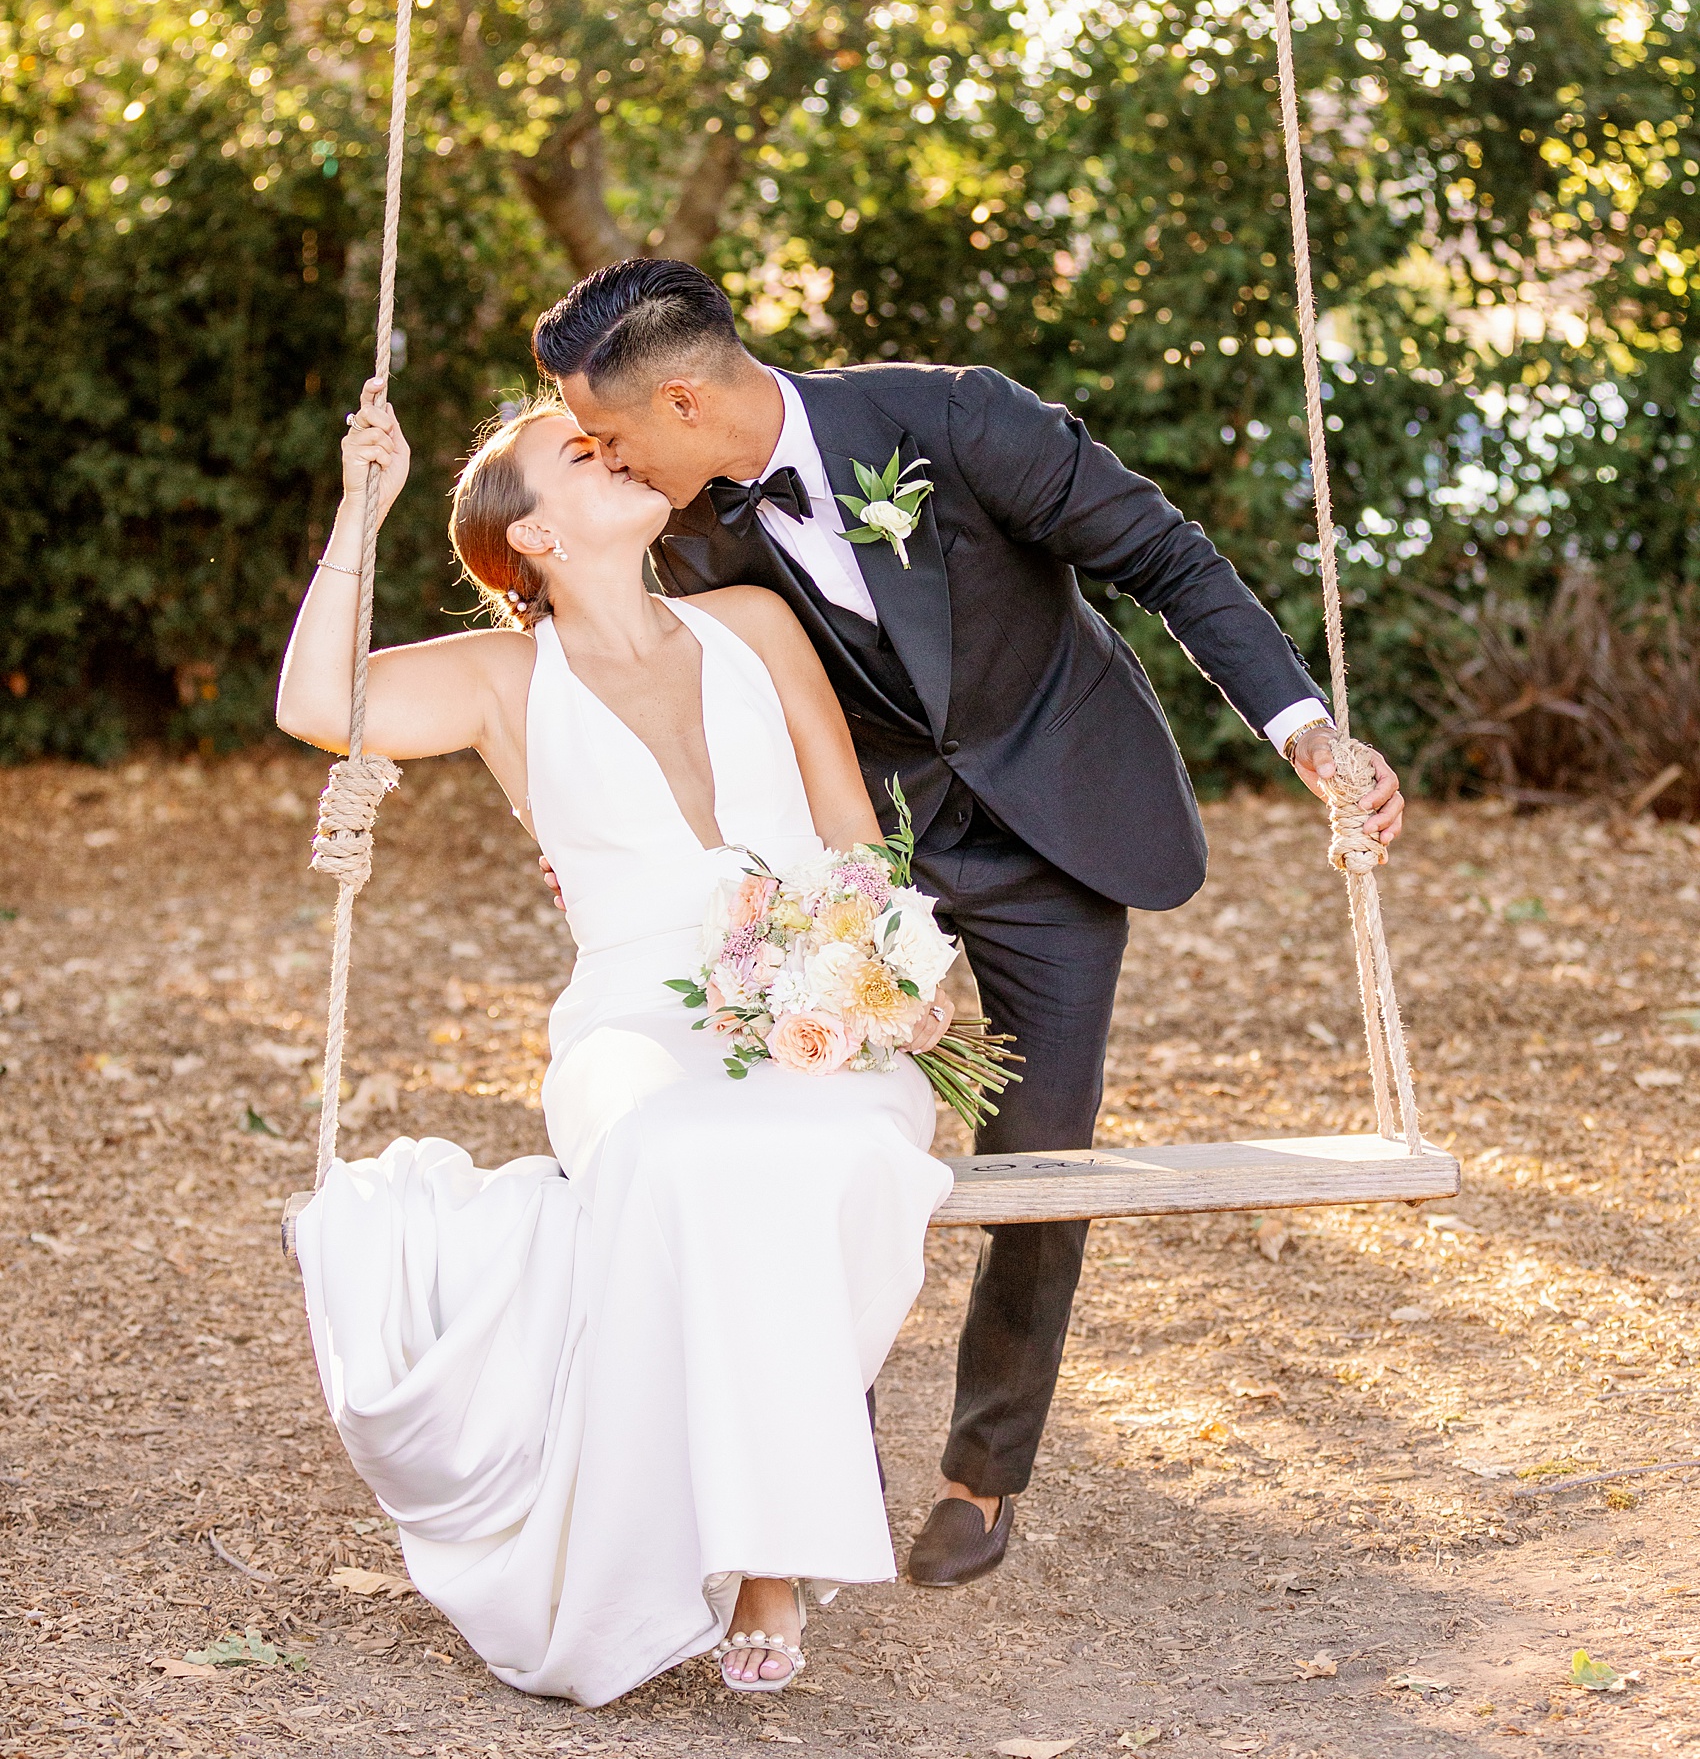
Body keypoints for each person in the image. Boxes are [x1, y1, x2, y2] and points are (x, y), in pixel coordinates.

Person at [533, 259, 1406, 1589]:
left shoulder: (954, 419)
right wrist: (594, 826)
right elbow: (607, 668)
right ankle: (816, 1470)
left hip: (1063, 824)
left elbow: (1164, 555)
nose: (598, 457)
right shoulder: (679, 525)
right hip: (855, 862)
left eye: (606, 433)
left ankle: (983, 1473)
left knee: (1041, 1159)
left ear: (681, 396)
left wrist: (1304, 729)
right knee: (810, 1146)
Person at [275, 380, 957, 1705]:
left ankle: (770, 1543)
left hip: (818, 991)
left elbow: (849, 827)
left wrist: (903, 970)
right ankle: (756, 1544)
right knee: (679, 1151)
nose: (618, 451)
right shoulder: (499, 679)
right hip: (636, 1023)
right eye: (581, 455)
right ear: (532, 535)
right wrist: (364, 502)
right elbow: (316, 698)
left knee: (840, 1160)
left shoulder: (753, 623)